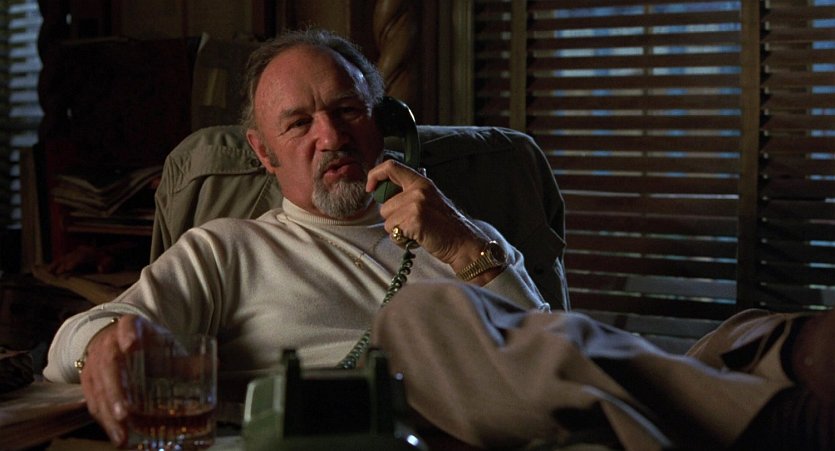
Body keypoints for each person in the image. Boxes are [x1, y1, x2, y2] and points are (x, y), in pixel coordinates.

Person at [44, 29, 833, 450]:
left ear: (379, 119)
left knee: (757, 334)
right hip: (410, 426)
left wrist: (461, 246)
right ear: (262, 152)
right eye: (299, 122)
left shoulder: (451, 224)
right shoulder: (226, 248)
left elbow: (550, 341)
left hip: (560, 410)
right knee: (421, 319)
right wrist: (108, 341)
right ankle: (776, 422)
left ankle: (783, 392)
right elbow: (73, 340)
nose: (330, 136)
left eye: (346, 110)